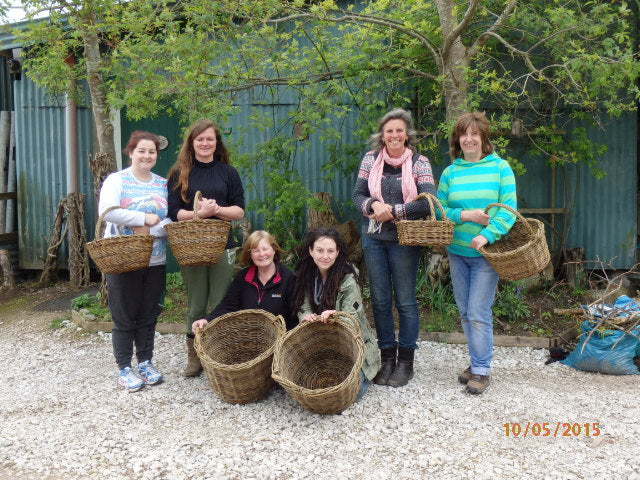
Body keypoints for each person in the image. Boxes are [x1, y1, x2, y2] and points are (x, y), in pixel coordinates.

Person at [352, 108, 436, 387]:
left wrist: (395, 210)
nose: (395, 135)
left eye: (399, 130)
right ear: (383, 135)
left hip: (405, 240)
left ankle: (405, 363)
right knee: (379, 300)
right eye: (390, 131)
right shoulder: (370, 160)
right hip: (374, 238)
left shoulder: (419, 163)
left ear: (407, 134)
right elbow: (357, 196)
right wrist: (374, 205)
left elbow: (428, 201)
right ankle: (386, 359)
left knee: (406, 301)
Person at [437, 111, 517, 395]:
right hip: (457, 252)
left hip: (486, 255)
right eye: (464, 134)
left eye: (475, 134)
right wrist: (467, 214)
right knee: (464, 312)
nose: (469, 139)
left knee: (478, 312)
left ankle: (482, 371)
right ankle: (476, 363)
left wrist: (486, 235)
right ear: (458, 140)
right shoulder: (451, 172)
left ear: (484, 138)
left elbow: (508, 213)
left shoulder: (500, 169)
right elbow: (440, 210)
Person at [167, 119, 245, 377]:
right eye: (199, 139)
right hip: (191, 247)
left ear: (216, 142)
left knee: (222, 301)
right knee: (196, 303)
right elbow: (174, 213)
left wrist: (217, 210)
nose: (204, 143)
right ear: (191, 142)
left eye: (209, 139)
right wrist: (199, 213)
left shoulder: (228, 173)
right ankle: (195, 357)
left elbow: (239, 210)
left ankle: (220, 354)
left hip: (223, 245)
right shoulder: (180, 173)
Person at [98, 131, 171, 392]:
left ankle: (146, 362)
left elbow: (170, 220)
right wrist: (143, 219)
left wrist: (152, 230)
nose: (146, 155)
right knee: (124, 315)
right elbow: (108, 212)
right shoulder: (116, 180)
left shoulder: (162, 184)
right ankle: (124, 368)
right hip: (122, 258)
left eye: (151, 151)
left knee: (148, 313)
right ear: (131, 153)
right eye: (141, 150)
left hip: (155, 258)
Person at [292, 227, 381, 400]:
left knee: (351, 393)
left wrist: (336, 316)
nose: (325, 256)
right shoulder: (306, 272)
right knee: (305, 383)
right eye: (320, 250)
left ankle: (364, 373)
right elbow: (302, 305)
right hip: (320, 339)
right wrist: (306, 316)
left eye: (330, 251)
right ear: (311, 251)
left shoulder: (348, 275)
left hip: (350, 341)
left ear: (338, 252)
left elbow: (351, 317)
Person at [191, 230, 297, 332]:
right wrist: (207, 320)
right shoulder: (243, 277)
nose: (261, 254)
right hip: (247, 338)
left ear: (274, 250)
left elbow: (295, 316)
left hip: (280, 340)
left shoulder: (288, 278)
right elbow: (228, 306)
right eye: (256, 251)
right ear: (250, 255)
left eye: (265, 249)